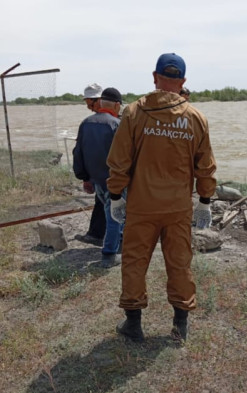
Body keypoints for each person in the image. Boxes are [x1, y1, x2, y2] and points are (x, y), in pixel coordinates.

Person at [106, 53, 217, 342]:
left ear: (155, 77)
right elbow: (205, 167)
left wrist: (115, 195)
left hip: (141, 206)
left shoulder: (133, 113)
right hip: (178, 208)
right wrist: (204, 201)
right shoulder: (196, 118)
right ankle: (180, 325)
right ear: (182, 81)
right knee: (179, 263)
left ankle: (133, 324)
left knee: (134, 262)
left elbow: (119, 160)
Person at [72, 87, 124, 268]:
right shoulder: (116, 125)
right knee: (115, 216)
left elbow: (78, 153)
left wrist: (84, 177)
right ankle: (109, 254)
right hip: (114, 181)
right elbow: (124, 156)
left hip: (96, 181)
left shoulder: (86, 123)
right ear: (117, 105)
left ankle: (118, 243)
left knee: (112, 213)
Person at [75, 82, 107, 246]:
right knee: (103, 203)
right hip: (102, 173)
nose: (90, 109)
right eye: (88, 105)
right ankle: (97, 234)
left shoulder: (120, 118)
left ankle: (100, 236)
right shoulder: (115, 120)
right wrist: (86, 177)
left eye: (91, 105)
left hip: (111, 173)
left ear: (100, 100)